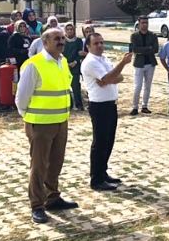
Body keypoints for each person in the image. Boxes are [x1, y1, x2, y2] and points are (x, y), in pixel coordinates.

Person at [15, 29, 78, 223]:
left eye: (62, 39)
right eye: (57, 39)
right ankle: (37, 205)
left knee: (56, 163)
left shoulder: (63, 61)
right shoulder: (34, 65)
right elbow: (21, 98)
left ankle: (53, 197)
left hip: (61, 122)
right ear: (45, 42)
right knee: (39, 165)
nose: (61, 42)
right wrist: (29, 119)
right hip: (40, 124)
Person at [81, 33, 134, 191]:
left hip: (111, 104)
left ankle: (103, 172)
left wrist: (109, 78)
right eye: (96, 43)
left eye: (101, 42)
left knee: (108, 141)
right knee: (100, 142)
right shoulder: (90, 61)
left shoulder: (104, 59)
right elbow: (108, 78)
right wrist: (122, 63)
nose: (100, 45)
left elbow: (117, 78)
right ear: (88, 47)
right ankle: (96, 179)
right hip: (99, 105)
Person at [129, 16, 159, 115]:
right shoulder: (134, 36)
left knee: (148, 86)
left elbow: (155, 49)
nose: (145, 24)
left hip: (150, 63)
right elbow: (135, 49)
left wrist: (142, 49)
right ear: (139, 23)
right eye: (143, 22)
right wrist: (147, 48)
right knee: (137, 86)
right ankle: (135, 107)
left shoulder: (153, 35)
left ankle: (145, 106)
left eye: (146, 22)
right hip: (139, 64)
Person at [62, 23, 85, 110]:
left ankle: (79, 105)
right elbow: (61, 53)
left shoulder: (78, 41)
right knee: (66, 87)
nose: (69, 31)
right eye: (67, 29)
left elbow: (80, 53)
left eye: (71, 29)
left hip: (75, 66)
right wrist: (66, 63)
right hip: (65, 66)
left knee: (76, 86)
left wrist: (75, 61)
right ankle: (69, 105)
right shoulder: (63, 40)